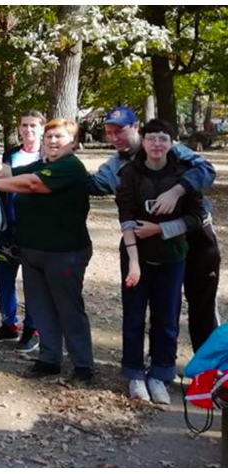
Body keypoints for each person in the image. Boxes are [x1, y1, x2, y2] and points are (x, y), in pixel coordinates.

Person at [89, 106, 219, 352]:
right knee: (159, 306)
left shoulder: (166, 147)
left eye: (120, 131)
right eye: (109, 133)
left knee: (202, 302)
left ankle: (209, 370)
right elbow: (93, 185)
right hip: (149, 242)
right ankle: (157, 363)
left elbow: (206, 170)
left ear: (136, 127)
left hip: (194, 235)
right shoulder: (115, 166)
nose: (115, 137)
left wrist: (177, 190)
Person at [0, 119, 94, 383]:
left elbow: (31, 184)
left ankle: (83, 366)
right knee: (41, 307)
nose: (53, 141)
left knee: (68, 308)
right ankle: (49, 359)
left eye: (60, 137)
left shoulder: (70, 167)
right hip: (33, 251)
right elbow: (8, 172)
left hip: (64, 252)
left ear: (74, 143)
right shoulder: (45, 164)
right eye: (50, 137)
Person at [117, 119, 205, 404]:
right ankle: (134, 374)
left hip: (173, 256)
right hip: (136, 255)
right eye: (152, 138)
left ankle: (160, 374)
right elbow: (126, 216)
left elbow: (196, 217)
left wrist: (163, 229)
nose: (157, 144)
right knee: (133, 316)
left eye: (163, 138)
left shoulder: (184, 175)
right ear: (142, 141)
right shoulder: (130, 173)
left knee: (166, 318)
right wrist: (133, 262)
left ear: (171, 142)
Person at [0, 110, 46, 352]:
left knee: (32, 281)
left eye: (33, 125)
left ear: (42, 128)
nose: (28, 130)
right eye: (24, 125)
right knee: (4, 278)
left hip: (34, 227)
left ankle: (33, 329)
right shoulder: (11, 153)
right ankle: (8, 324)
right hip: (7, 226)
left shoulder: (47, 155)